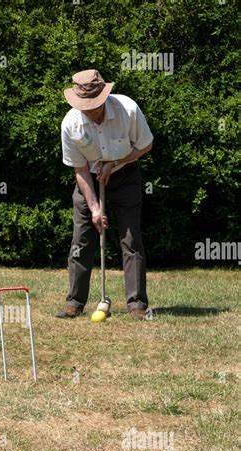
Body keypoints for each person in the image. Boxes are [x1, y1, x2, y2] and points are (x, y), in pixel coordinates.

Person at [56, 69, 153, 321]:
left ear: (104, 97)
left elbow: (145, 145)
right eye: (84, 106)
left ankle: (137, 305)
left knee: (131, 239)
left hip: (125, 176)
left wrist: (116, 162)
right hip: (89, 179)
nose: (89, 110)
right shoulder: (71, 124)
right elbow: (80, 169)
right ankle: (74, 302)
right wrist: (95, 208)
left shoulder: (127, 110)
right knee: (81, 241)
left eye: (94, 105)